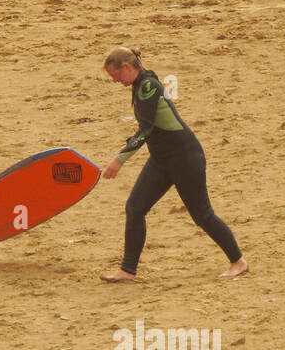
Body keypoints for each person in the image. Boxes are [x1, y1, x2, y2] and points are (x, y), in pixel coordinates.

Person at [99, 46, 248, 282]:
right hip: (161, 159)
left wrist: (119, 160)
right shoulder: (141, 84)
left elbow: (145, 129)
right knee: (135, 208)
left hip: (184, 158)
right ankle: (128, 270)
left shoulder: (148, 86)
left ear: (126, 67)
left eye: (115, 75)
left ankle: (238, 261)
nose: (115, 81)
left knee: (202, 215)